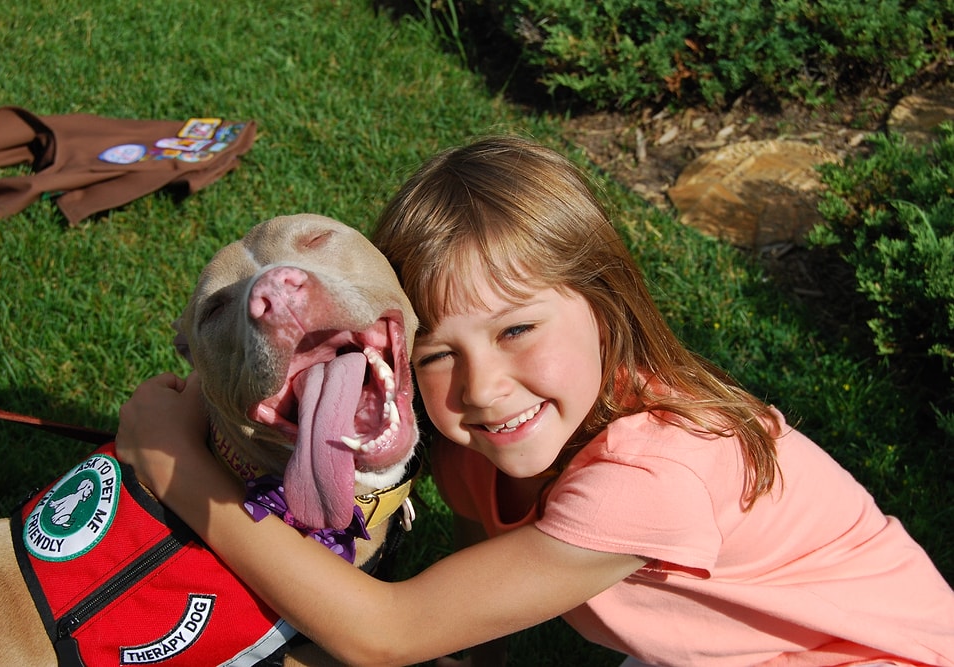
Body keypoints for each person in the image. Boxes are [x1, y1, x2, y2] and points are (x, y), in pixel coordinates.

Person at [117, 136, 954, 667]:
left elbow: (386, 632)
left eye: (517, 329)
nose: (483, 388)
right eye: (442, 351)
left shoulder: (652, 476)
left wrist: (174, 464)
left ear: (604, 302)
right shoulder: (475, 439)